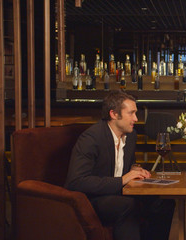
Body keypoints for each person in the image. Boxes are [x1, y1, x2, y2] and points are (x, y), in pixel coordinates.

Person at [65, 90, 175, 240]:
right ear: (114, 114)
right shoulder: (91, 139)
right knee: (127, 205)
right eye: (131, 113)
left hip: (119, 192)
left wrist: (135, 171)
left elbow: (123, 167)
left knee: (163, 204)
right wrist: (123, 180)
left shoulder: (130, 136)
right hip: (94, 199)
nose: (136, 118)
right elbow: (76, 181)